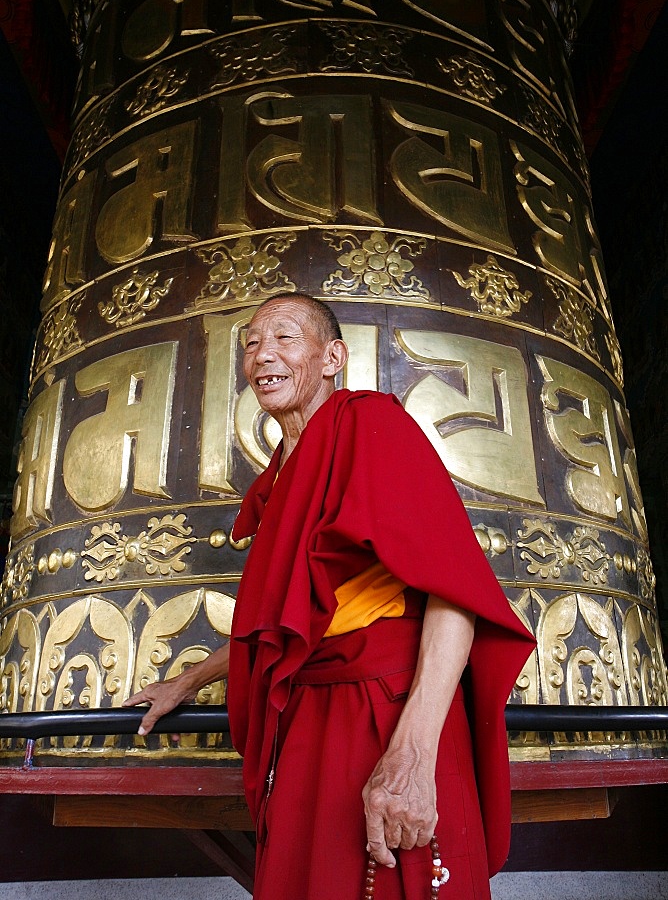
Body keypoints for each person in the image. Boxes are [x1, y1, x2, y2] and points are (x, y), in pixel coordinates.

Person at [123, 292, 535, 900]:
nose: (264, 355)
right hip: (310, 713)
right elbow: (294, 617)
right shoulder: (280, 477)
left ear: (332, 357)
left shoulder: (372, 428)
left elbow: (455, 594)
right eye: (252, 344)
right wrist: (190, 679)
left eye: (286, 338)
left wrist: (415, 753)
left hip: (388, 708)